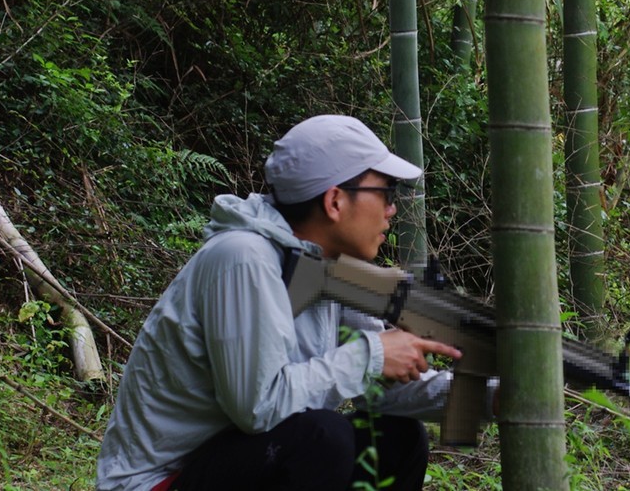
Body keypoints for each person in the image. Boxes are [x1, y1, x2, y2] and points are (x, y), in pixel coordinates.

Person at [96, 115, 478, 491]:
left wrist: (495, 397)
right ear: (334, 201)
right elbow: (258, 407)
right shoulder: (242, 257)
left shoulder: (324, 267)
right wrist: (372, 354)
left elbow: (378, 388)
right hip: (164, 480)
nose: (392, 209)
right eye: (387, 194)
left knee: (398, 435)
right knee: (321, 438)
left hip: (229, 463)